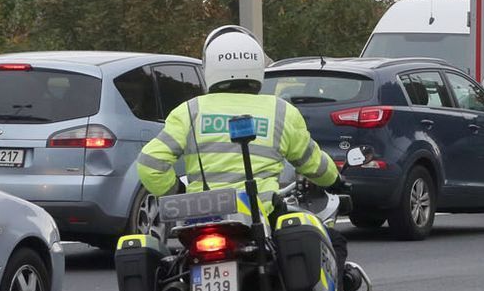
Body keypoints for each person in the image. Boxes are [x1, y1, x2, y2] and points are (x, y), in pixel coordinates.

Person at [135, 25, 339, 201]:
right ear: (257, 64)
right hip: (263, 214)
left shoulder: (190, 111)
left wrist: (178, 193)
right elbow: (313, 163)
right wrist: (336, 181)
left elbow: (150, 163)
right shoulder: (281, 111)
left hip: (201, 218)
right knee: (321, 236)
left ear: (210, 66)